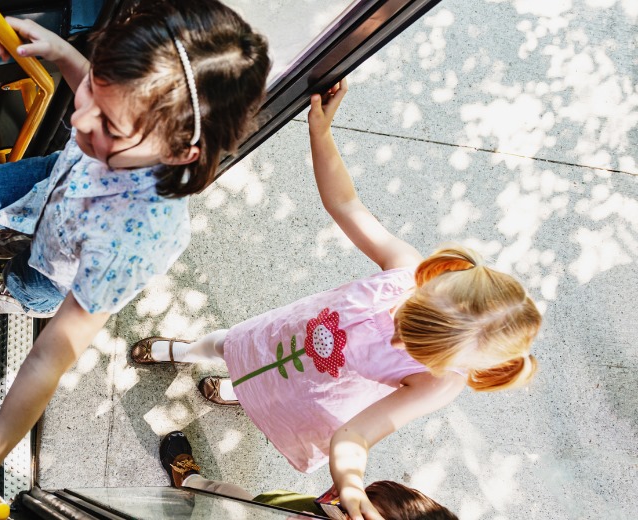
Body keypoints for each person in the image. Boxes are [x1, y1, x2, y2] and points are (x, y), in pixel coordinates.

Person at [0, 2, 270, 518]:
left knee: (34, 283)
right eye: (94, 86)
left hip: (64, 267)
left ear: (180, 152)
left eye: (109, 123)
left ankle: (19, 290)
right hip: (48, 190)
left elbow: (51, 354)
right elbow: (107, 95)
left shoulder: (136, 239)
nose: (79, 117)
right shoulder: (117, 123)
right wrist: (63, 53)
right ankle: (18, 238)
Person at [130, 80, 541, 519]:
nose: (395, 333)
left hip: (309, 394)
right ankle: (187, 352)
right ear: (440, 276)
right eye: (410, 314)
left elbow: (357, 435)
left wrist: (349, 481)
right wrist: (321, 134)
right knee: (226, 343)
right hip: (276, 338)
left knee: (262, 393)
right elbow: (345, 203)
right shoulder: (404, 269)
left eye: (412, 345)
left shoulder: (440, 384)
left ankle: (236, 391)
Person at [159, 431, 458, 520]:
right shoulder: (319, 511)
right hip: (265, 510)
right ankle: (189, 482)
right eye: (343, 510)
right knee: (233, 497)